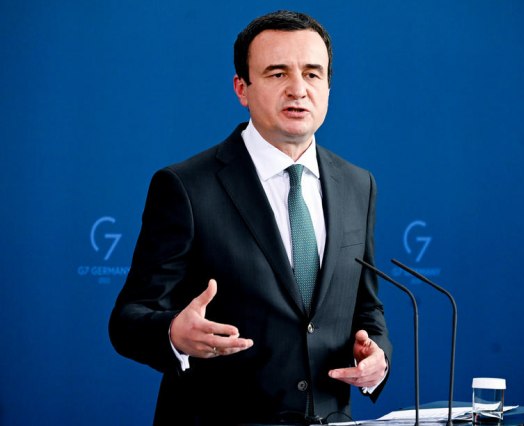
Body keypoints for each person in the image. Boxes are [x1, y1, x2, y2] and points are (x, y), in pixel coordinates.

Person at [109, 10, 392, 424]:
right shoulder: (186, 187)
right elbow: (128, 318)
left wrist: (377, 359)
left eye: (313, 74)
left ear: (329, 86)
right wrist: (174, 334)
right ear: (242, 88)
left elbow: (367, 307)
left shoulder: (358, 185)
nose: (298, 89)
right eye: (278, 73)